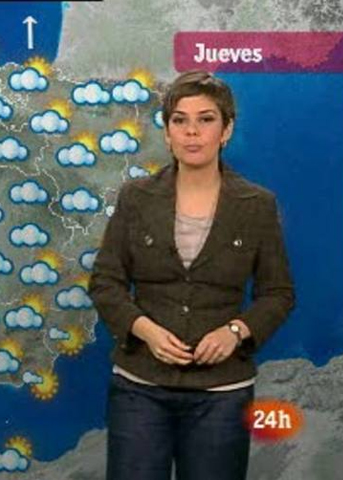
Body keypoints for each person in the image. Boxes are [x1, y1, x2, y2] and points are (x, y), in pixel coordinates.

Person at [87, 70, 295, 480]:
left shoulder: (256, 205)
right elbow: (105, 282)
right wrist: (146, 330)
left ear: (226, 129)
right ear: (167, 132)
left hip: (221, 395)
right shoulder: (136, 198)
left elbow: (278, 293)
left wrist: (235, 331)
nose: (192, 132)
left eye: (206, 119)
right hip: (140, 388)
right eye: (180, 120)